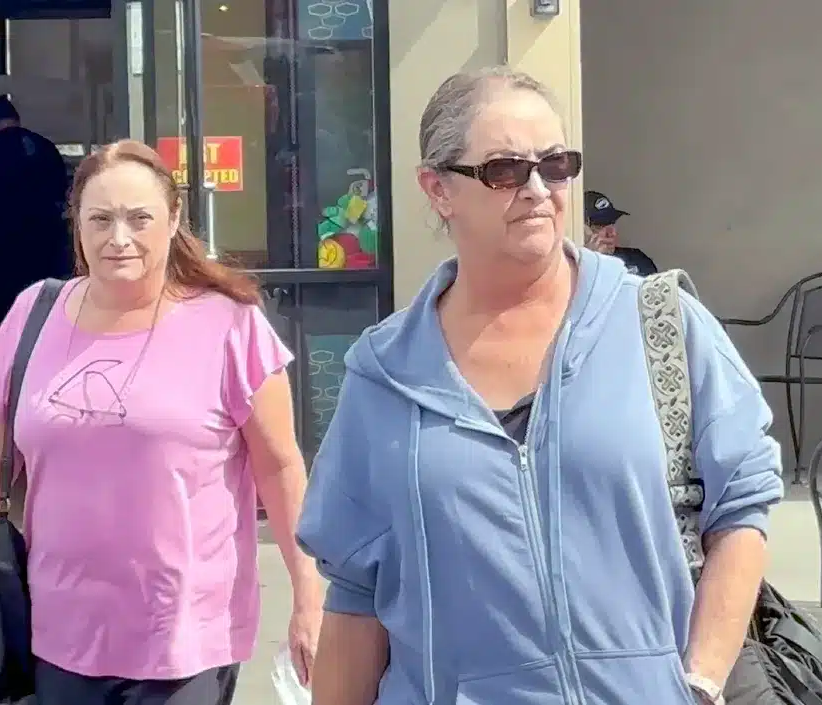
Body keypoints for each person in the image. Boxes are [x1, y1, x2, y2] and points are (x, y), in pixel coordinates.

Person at [297, 67, 783, 705]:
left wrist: (701, 682)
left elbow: (741, 507)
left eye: (555, 166)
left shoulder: (659, 324)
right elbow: (357, 593)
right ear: (438, 190)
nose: (536, 189)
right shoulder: (386, 372)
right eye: (504, 170)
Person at [0, 139, 322, 705]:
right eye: (100, 219)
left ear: (173, 219)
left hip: (185, 639)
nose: (119, 238)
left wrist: (309, 595)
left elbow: (280, 469)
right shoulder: (34, 315)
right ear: (77, 225)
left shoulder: (229, 324)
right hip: (59, 633)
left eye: (139, 218)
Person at [0, 96, 73, 411]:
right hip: (44, 251)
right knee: (38, 326)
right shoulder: (45, 147)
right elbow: (64, 198)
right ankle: (36, 401)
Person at [584, 189, 658, 275]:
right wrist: (591, 260)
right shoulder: (576, 268)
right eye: (600, 226)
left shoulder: (637, 259)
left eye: (612, 223)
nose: (612, 233)